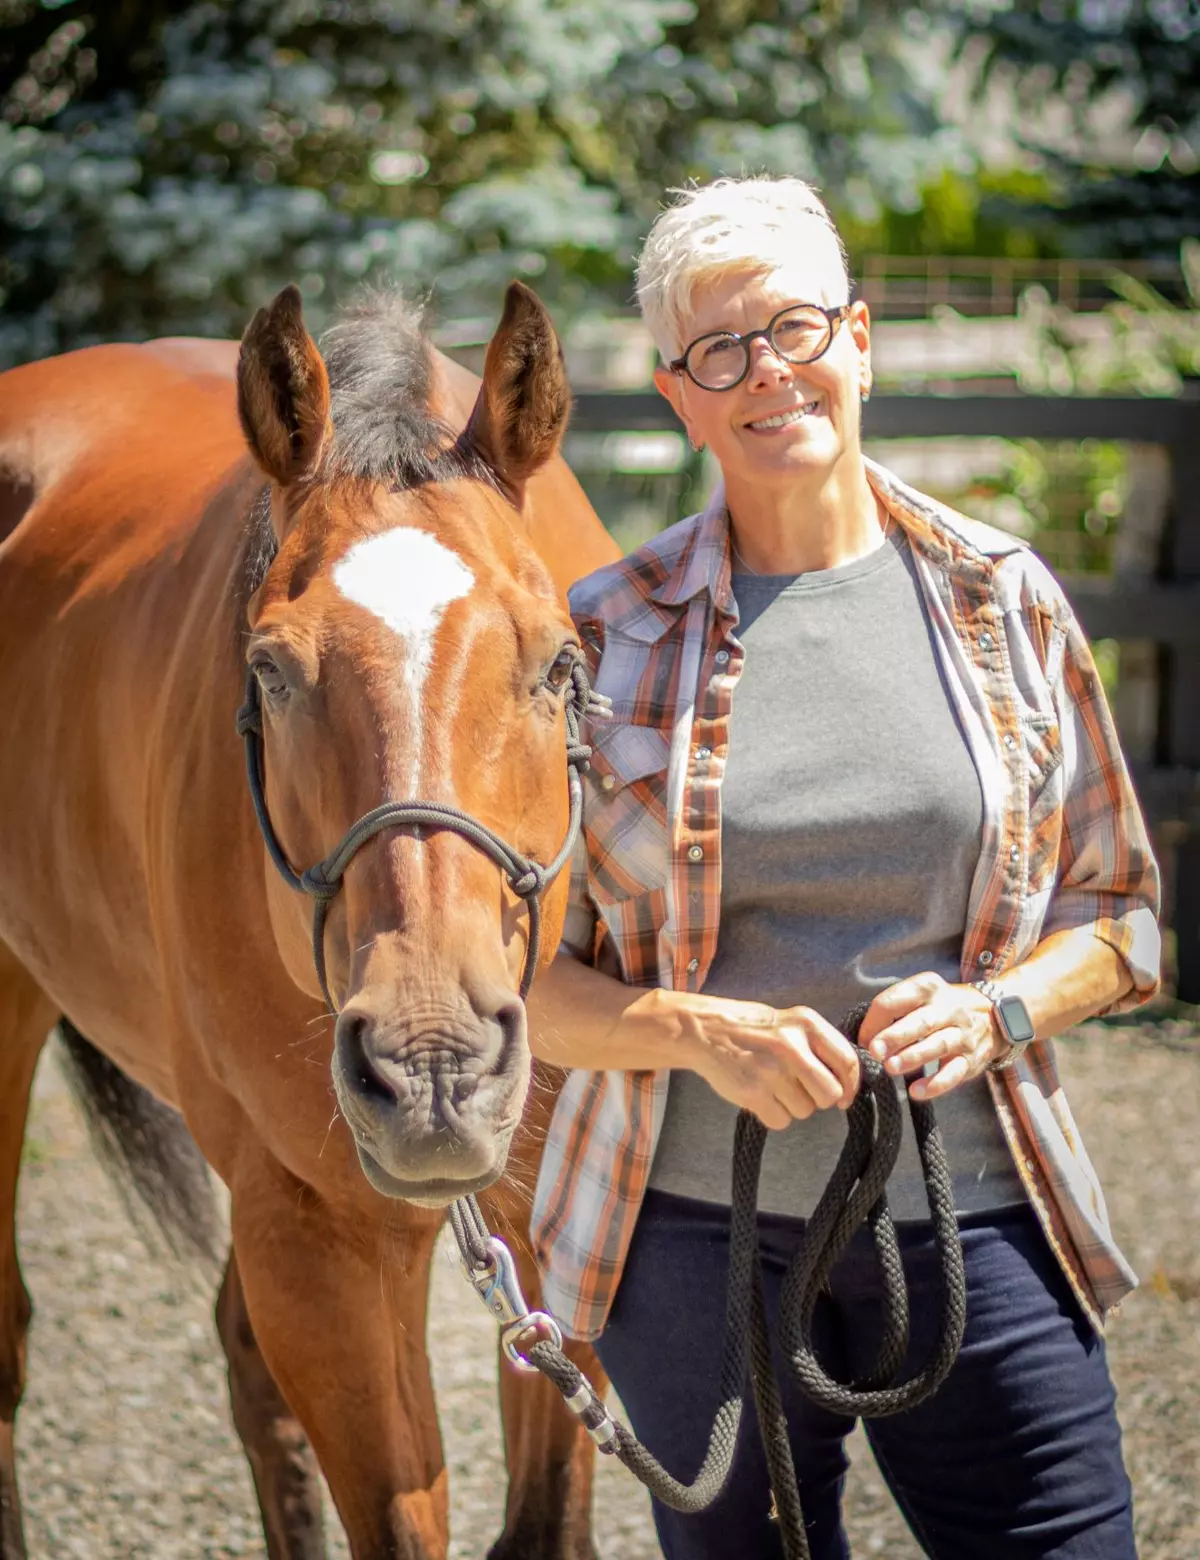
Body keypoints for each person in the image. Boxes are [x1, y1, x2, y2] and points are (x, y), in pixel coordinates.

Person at [526, 175, 1161, 1560]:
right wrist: (694, 1030)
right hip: (694, 1241)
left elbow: (1125, 920)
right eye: (719, 350)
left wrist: (997, 1011)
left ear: (859, 339)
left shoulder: (1004, 596)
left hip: (973, 1214)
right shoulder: (605, 639)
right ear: (680, 393)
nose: (769, 372)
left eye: (796, 328)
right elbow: (522, 991)